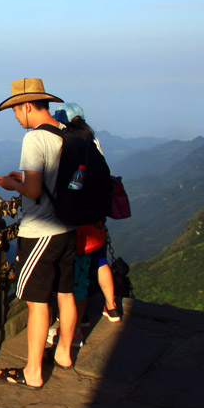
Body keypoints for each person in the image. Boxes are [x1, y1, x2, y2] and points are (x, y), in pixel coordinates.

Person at [0, 78, 78, 388]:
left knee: (36, 301)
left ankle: (33, 372)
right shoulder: (66, 133)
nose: (16, 118)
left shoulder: (34, 139)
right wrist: (26, 178)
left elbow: (32, 190)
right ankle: (64, 355)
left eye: (16, 110)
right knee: (65, 292)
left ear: (27, 105)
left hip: (41, 230)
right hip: (69, 227)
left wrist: (11, 183)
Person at [53, 103, 122, 324]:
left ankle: (79, 318)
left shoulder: (67, 145)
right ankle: (111, 307)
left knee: (77, 271)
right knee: (100, 260)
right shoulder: (94, 143)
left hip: (77, 215)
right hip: (97, 214)